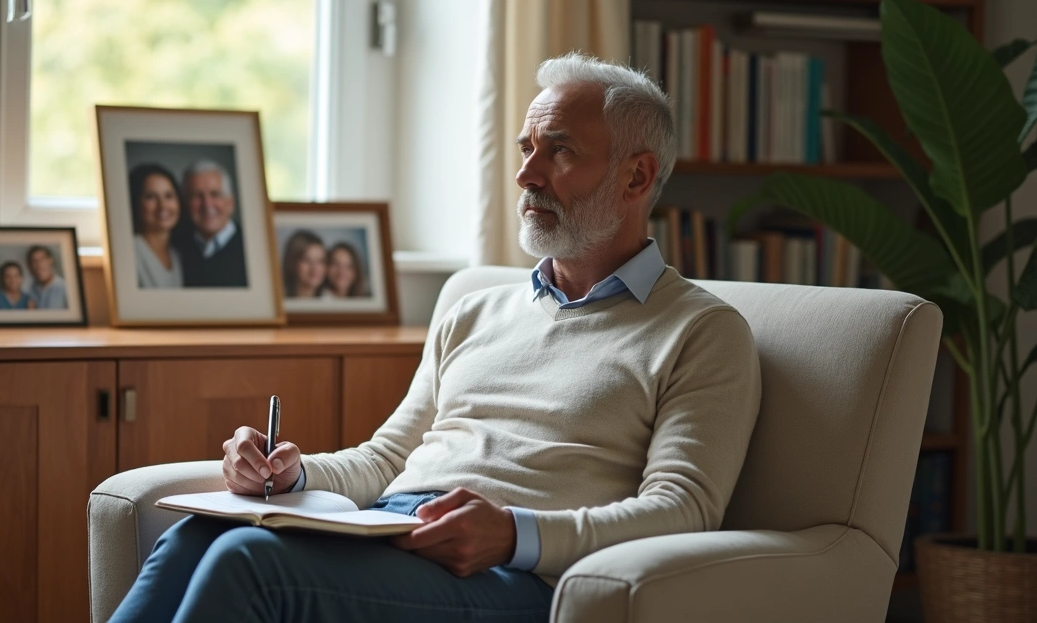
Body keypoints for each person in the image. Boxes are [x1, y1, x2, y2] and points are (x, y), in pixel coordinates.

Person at [109, 54, 761, 623]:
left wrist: (515, 535)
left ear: (637, 178)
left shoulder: (701, 331)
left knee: (249, 563)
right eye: (525, 148)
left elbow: (682, 508)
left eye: (558, 150)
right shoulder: (474, 309)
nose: (526, 174)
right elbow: (388, 459)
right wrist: (289, 473)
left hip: (515, 578)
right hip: (393, 534)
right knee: (198, 534)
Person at [174, 160, 248, 288]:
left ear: (230, 202)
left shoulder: (251, 249)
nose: (207, 204)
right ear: (185, 203)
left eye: (215, 194)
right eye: (197, 196)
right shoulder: (175, 248)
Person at [129, 164, 184, 289]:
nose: (163, 206)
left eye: (169, 196)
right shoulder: (131, 253)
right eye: (151, 197)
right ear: (136, 202)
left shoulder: (178, 255)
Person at [280, 230, 327, 298]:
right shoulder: (280, 297)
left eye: (320, 261)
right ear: (291, 262)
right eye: (306, 260)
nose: (315, 268)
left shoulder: (332, 300)